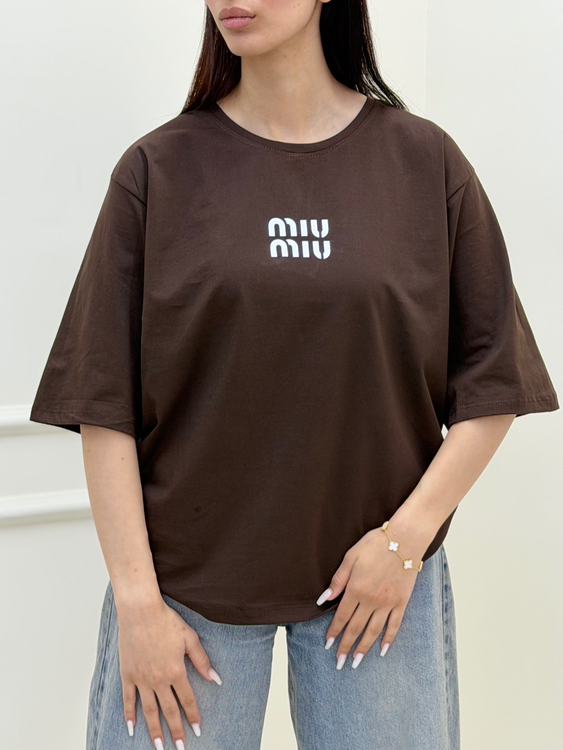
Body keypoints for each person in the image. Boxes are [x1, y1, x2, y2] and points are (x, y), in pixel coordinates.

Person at [29, 0, 559, 748]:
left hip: (375, 588)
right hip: (182, 595)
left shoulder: (424, 163)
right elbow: (101, 400)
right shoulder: (157, 170)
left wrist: (402, 544)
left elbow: (492, 382)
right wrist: (137, 603)